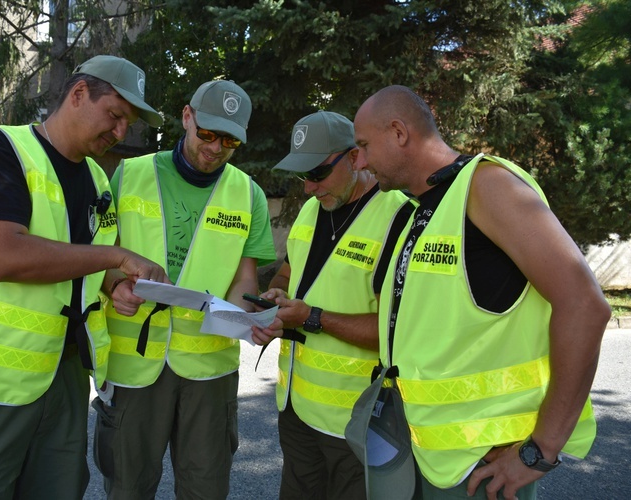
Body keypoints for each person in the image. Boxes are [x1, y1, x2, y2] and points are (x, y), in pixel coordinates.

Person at [0, 55, 169, 500]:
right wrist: (117, 255)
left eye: (128, 123)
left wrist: (117, 285)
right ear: (77, 95)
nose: (120, 132)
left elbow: (88, 266)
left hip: (64, 375)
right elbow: (5, 256)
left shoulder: (96, 178)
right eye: (114, 115)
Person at [352, 85, 611, 499]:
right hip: (426, 453)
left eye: (364, 146)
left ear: (399, 133)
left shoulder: (487, 186)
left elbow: (584, 305)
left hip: (483, 468)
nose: (361, 162)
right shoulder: (422, 208)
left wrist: (541, 449)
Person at [93, 79, 276, 500]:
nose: (215, 148)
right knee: (128, 487)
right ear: (187, 116)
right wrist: (115, 284)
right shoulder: (129, 174)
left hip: (209, 371)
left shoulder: (249, 194)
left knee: (205, 488)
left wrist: (245, 318)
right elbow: (100, 256)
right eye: (207, 134)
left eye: (229, 141)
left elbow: (246, 279)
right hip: (134, 366)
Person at [249, 110, 414, 499]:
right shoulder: (313, 208)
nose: (308, 188)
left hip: (357, 421)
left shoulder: (399, 219)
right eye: (301, 176)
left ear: (356, 157)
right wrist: (275, 296)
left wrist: (311, 318)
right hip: (296, 411)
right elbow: (289, 274)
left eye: (317, 174)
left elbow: (400, 331)